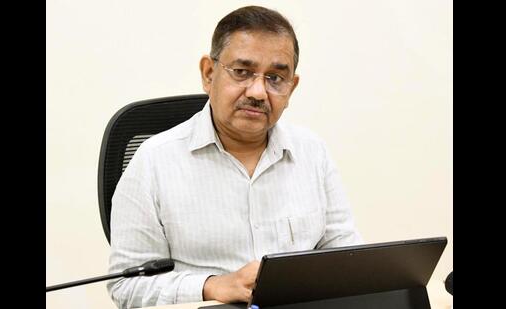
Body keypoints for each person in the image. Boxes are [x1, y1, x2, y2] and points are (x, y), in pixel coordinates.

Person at [107, 5, 362, 308]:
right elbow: (127, 285)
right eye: (242, 72)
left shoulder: (312, 153)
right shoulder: (153, 162)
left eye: (275, 78)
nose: (257, 91)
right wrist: (211, 286)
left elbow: (347, 259)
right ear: (208, 73)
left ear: (291, 88)